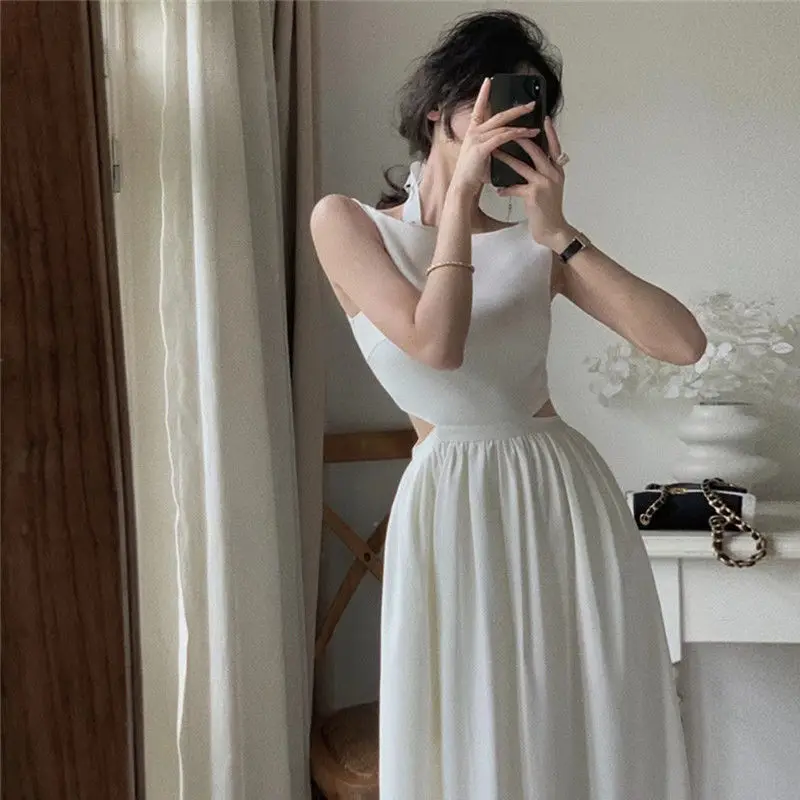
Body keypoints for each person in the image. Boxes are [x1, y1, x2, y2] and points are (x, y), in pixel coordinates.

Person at [311, 10, 704, 800]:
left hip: (563, 497)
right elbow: (436, 343)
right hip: (451, 502)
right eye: (491, 101)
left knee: (585, 716)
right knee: (469, 726)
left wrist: (558, 232)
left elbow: (681, 343)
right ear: (436, 108)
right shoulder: (347, 223)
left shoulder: (535, 245)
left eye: (528, 108)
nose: (510, 122)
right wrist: (457, 202)